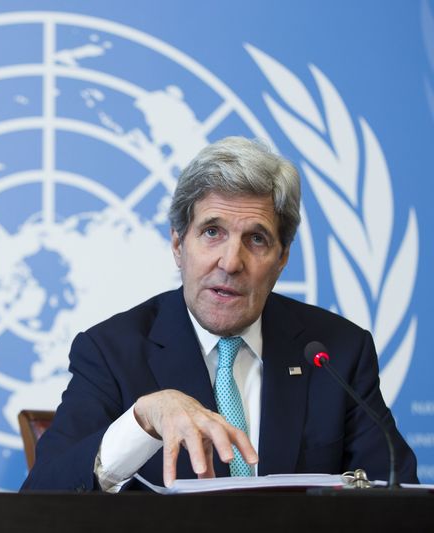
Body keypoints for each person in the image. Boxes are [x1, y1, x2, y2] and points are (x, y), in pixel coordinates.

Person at [21, 137, 418, 492]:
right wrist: (141, 421)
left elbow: (398, 498)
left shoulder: (338, 352)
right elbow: (40, 498)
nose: (230, 262)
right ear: (178, 245)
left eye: (256, 239)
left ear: (282, 259)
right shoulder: (112, 351)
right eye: (212, 231)